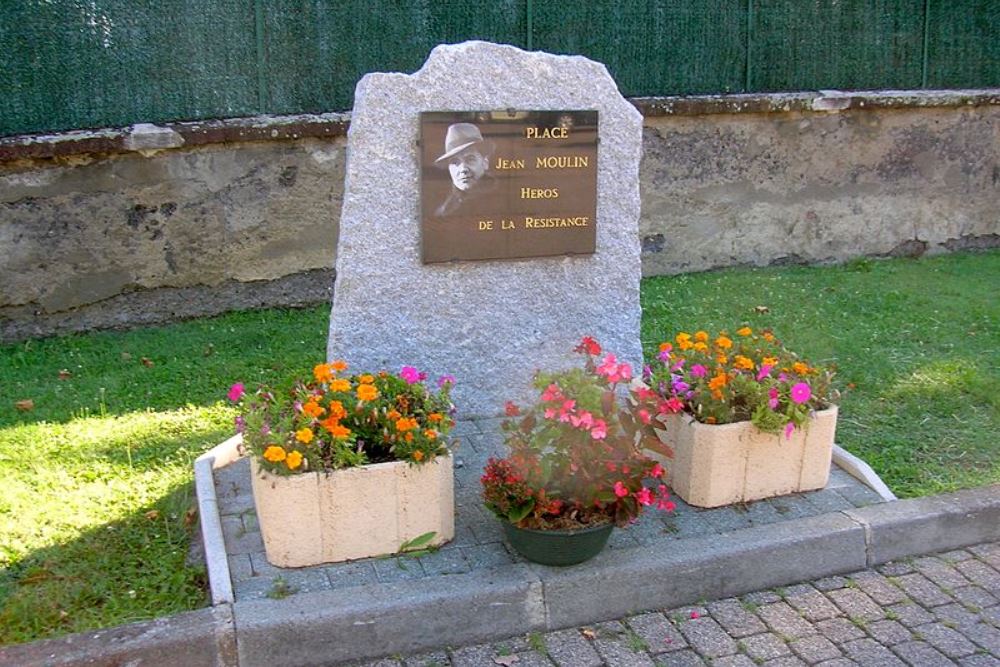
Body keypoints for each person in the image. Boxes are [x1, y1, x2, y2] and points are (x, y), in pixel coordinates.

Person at [433, 123, 496, 217]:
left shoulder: (498, 200)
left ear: (485, 163)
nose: (463, 169)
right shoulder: (444, 211)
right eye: (455, 162)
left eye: (470, 159)